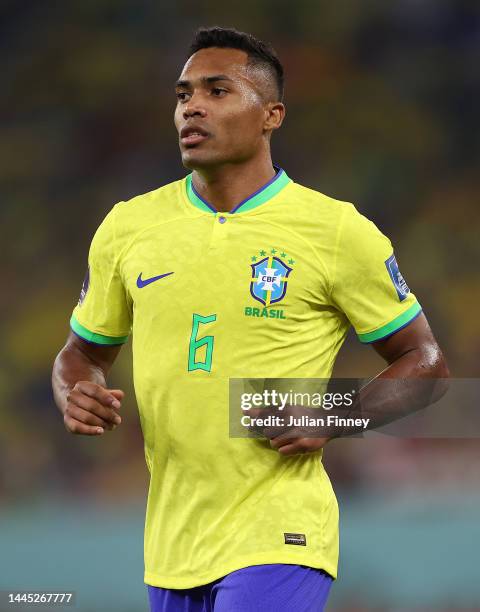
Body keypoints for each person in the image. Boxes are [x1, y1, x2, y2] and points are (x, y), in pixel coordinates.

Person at [52, 26, 449, 612]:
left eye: (217, 91)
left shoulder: (335, 230)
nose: (192, 107)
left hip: (281, 531)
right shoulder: (128, 227)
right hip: (171, 540)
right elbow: (82, 352)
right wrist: (74, 391)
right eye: (184, 94)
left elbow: (427, 365)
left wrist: (333, 414)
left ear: (272, 115)